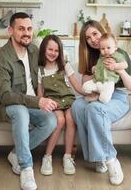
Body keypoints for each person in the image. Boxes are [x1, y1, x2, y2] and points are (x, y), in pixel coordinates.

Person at [0, 12, 58, 190]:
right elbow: (5, 96)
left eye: (29, 29)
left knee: (51, 120)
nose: (26, 33)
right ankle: (26, 168)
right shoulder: (1, 58)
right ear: (10, 30)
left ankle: (15, 154)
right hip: (7, 105)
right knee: (20, 111)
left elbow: (51, 65)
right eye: (21, 29)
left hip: (30, 104)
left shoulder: (34, 50)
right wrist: (38, 101)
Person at [71, 20, 131, 185]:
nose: (93, 39)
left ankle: (111, 160)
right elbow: (86, 82)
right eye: (88, 37)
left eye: (95, 34)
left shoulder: (118, 53)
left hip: (118, 97)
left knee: (94, 110)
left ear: (102, 32)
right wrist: (97, 74)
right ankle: (97, 159)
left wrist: (117, 68)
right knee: (78, 106)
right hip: (97, 93)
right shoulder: (90, 55)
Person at [37, 35, 86, 176]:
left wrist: (87, 93)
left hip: (68, 99)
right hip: (53, 101)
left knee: (71, 119)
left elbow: (76, 85)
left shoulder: (64, 65)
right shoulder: (40, 70)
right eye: (50, 49)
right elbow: (40, 94)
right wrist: (41, 104)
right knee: (60, 120)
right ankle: (47, 157)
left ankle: (68, 156)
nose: (53, 53)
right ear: (43, 50)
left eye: (56, 50)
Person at [82, 33, 128, 103]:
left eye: (108, 48)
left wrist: (115, 66)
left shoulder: (117, 55)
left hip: (108, 82)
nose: (105, 50)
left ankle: (98, 97)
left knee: (104, 99)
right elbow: (100, 65)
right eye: (102, 48)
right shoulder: (101, 57)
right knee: (85, 87)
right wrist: (95, 68)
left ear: (115, 47)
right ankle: (96, 94)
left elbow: (125, 64)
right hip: (97, 80)